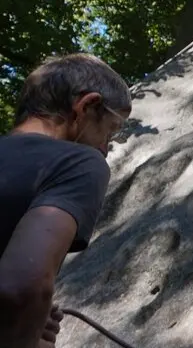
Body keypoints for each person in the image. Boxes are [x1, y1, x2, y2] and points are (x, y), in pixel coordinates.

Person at [0, 54, 131, 348]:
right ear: (86, 106)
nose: (105, 147)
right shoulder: (77, 162)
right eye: (110, 130)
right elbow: (20, 288)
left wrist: (27, 322)